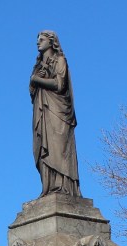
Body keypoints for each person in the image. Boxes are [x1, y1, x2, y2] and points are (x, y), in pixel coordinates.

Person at [30, 31, 81, 197]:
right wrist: (34, 81)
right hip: (41, 110)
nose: (38, 42)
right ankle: (48, 187)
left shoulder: (60, 60)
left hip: (57, 111)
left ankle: (63, 186)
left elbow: (59, 84)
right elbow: (32, 91)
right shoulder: (38, 66)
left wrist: (36, 80)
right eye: (37, 39)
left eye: (42, 39)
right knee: (42, 146)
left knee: (57, 148)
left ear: (52, 42)